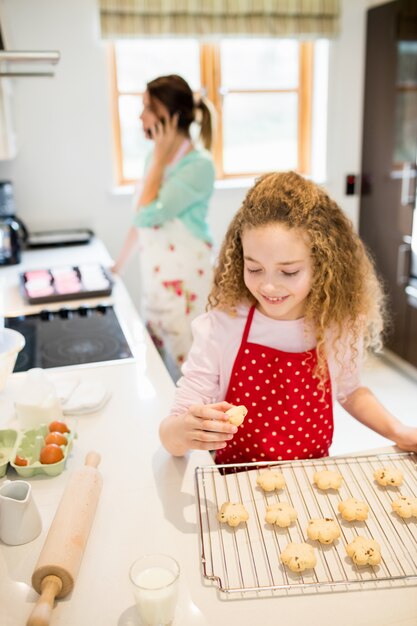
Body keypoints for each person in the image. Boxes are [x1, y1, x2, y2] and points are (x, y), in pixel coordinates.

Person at [159, 170, 417, 463]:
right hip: (235, 487)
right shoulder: (223, 325)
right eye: (254, 269)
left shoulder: (336, 322)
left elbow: (351, 391)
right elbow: (172, 433)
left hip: (309, 483)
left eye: (289, 271)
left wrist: (399, 431)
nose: (268, 286)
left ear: (321, 264)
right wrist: (183, 431)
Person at [113, 74, 216, 378]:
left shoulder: (199, 165)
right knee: (157, 373)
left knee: (191, 377)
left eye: (147, 107)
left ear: (171, 116)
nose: (139, 116)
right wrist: (117, 267)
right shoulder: (152, 158)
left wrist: (158, 160)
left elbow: (148, 214)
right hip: (156, 283)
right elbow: (140, 223)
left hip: (186, 288)